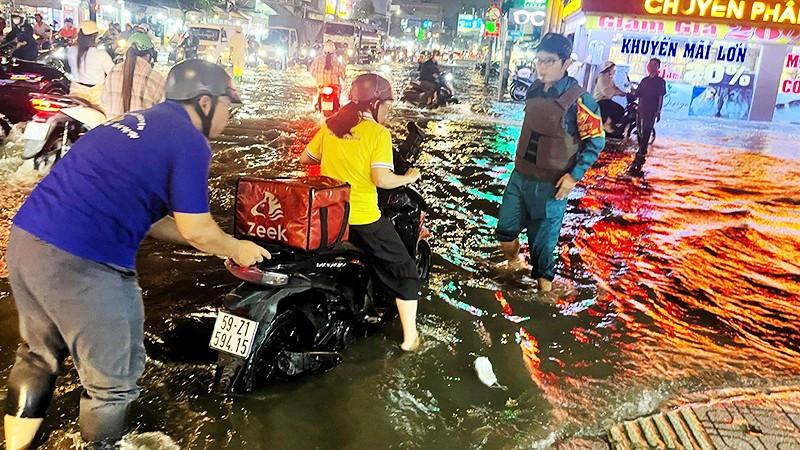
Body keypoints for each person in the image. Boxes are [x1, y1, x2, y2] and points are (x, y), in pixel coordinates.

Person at [3, 59, 268, 449]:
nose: (231, 117)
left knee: (39, 356)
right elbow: (196, 227)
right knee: (113, 383)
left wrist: (214, 247)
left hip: (26, 241)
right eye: (231, 107)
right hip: (85, 261)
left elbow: (150, 219)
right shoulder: (190, 141)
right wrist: (234, 245)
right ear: (206, 102)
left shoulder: (127, 123)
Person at [299, 73, 422, 352]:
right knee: (405, 271)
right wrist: (409, 178)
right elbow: (382, 180)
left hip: (329, 218)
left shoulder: (331, 126)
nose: (388, 111)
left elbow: (305, 158)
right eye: (388, 104)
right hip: (362, 219)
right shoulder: (378, 134)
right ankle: (410, 340)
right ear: (375, 103)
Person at [496, 33, 605, 292]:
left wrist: (573, 177)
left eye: (548, 61)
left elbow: (596, 142)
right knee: (505, 231)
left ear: (566, 63)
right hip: (520, 176)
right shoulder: (534, 89)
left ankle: (545, 300)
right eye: (539, 60)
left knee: (543, 251)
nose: (541, 67)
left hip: (552, 186)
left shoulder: (580, 100)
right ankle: (514, 262)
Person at [101, 32, 165, 118]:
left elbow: (104, 101)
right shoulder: (157, 78)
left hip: (113, 128)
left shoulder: (113, 71)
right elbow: (162, 111)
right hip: (142, 130)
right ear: (149, 55)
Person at [67, 21, 114, 108]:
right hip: (97, 97)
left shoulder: (71, 51)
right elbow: (113, 73)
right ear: (94, 37)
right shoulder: (101, 55)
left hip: (76, 93)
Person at [634, 58, 666, 155]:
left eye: (654, 65)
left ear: (658, 67)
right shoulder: (644, 80)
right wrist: (633, 92)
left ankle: (643, 150)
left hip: (651, 109)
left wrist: (658, 111)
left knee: (647, 130)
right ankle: (640, 147)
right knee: (639, 129)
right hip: (640, 108)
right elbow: (638, 93)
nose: (651, 66)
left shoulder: (660, 82)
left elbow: (660, 96)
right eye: (650, 64)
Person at [593, 61, 626, 133]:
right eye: (612, 68)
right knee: (619, 110)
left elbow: (615, 88)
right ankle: (606, 125)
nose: (614, 70)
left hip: (607, 100)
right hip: (601, 101)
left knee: (621, 110)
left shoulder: (609, 78)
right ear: (608, 68)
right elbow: (606, 91)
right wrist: (617, 93)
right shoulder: (602, 77)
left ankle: (611, 126)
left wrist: (623, 93)